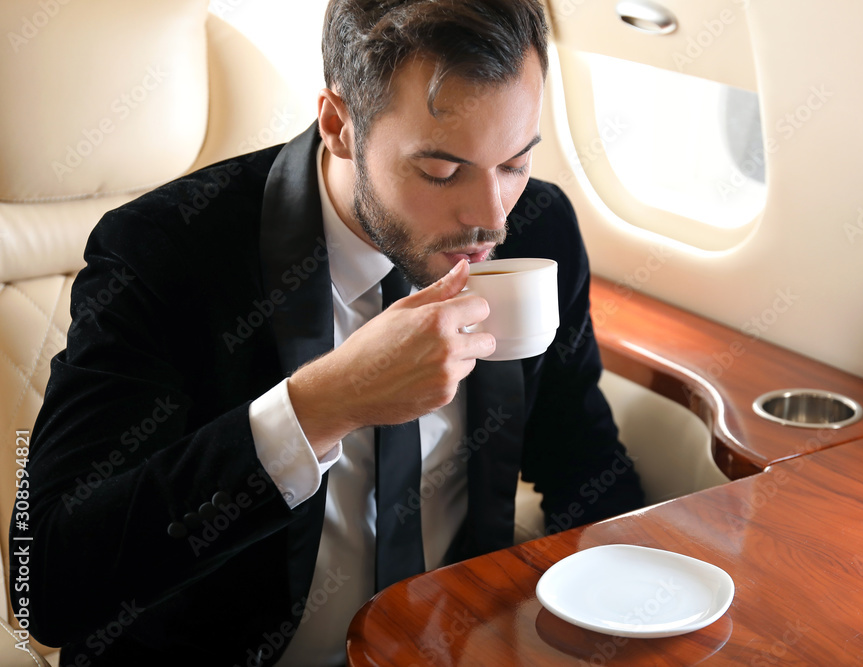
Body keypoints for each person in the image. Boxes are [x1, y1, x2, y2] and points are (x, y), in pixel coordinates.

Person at [16, 0, 644, 664]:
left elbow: (584, 464)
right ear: (340, 124)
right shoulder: (167, 254)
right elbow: (47, 582)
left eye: (515, 162)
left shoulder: (540, 231)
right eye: (441, 170)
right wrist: (321, 405)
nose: (491, 218)